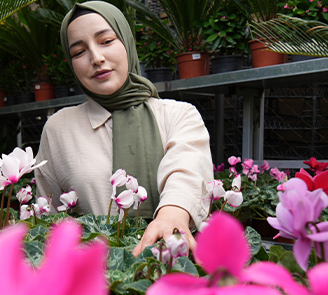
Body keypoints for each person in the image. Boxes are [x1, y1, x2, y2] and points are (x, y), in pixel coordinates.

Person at [34, 1, 213, 256]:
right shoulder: (59, 129)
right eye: (79, 52)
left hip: (172, 267)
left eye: (106, 41)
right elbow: (48, 217)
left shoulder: (178, 115)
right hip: (93, 277)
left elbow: (187, 170)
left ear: (127, 42)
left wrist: (172, 214)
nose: (97, 58)